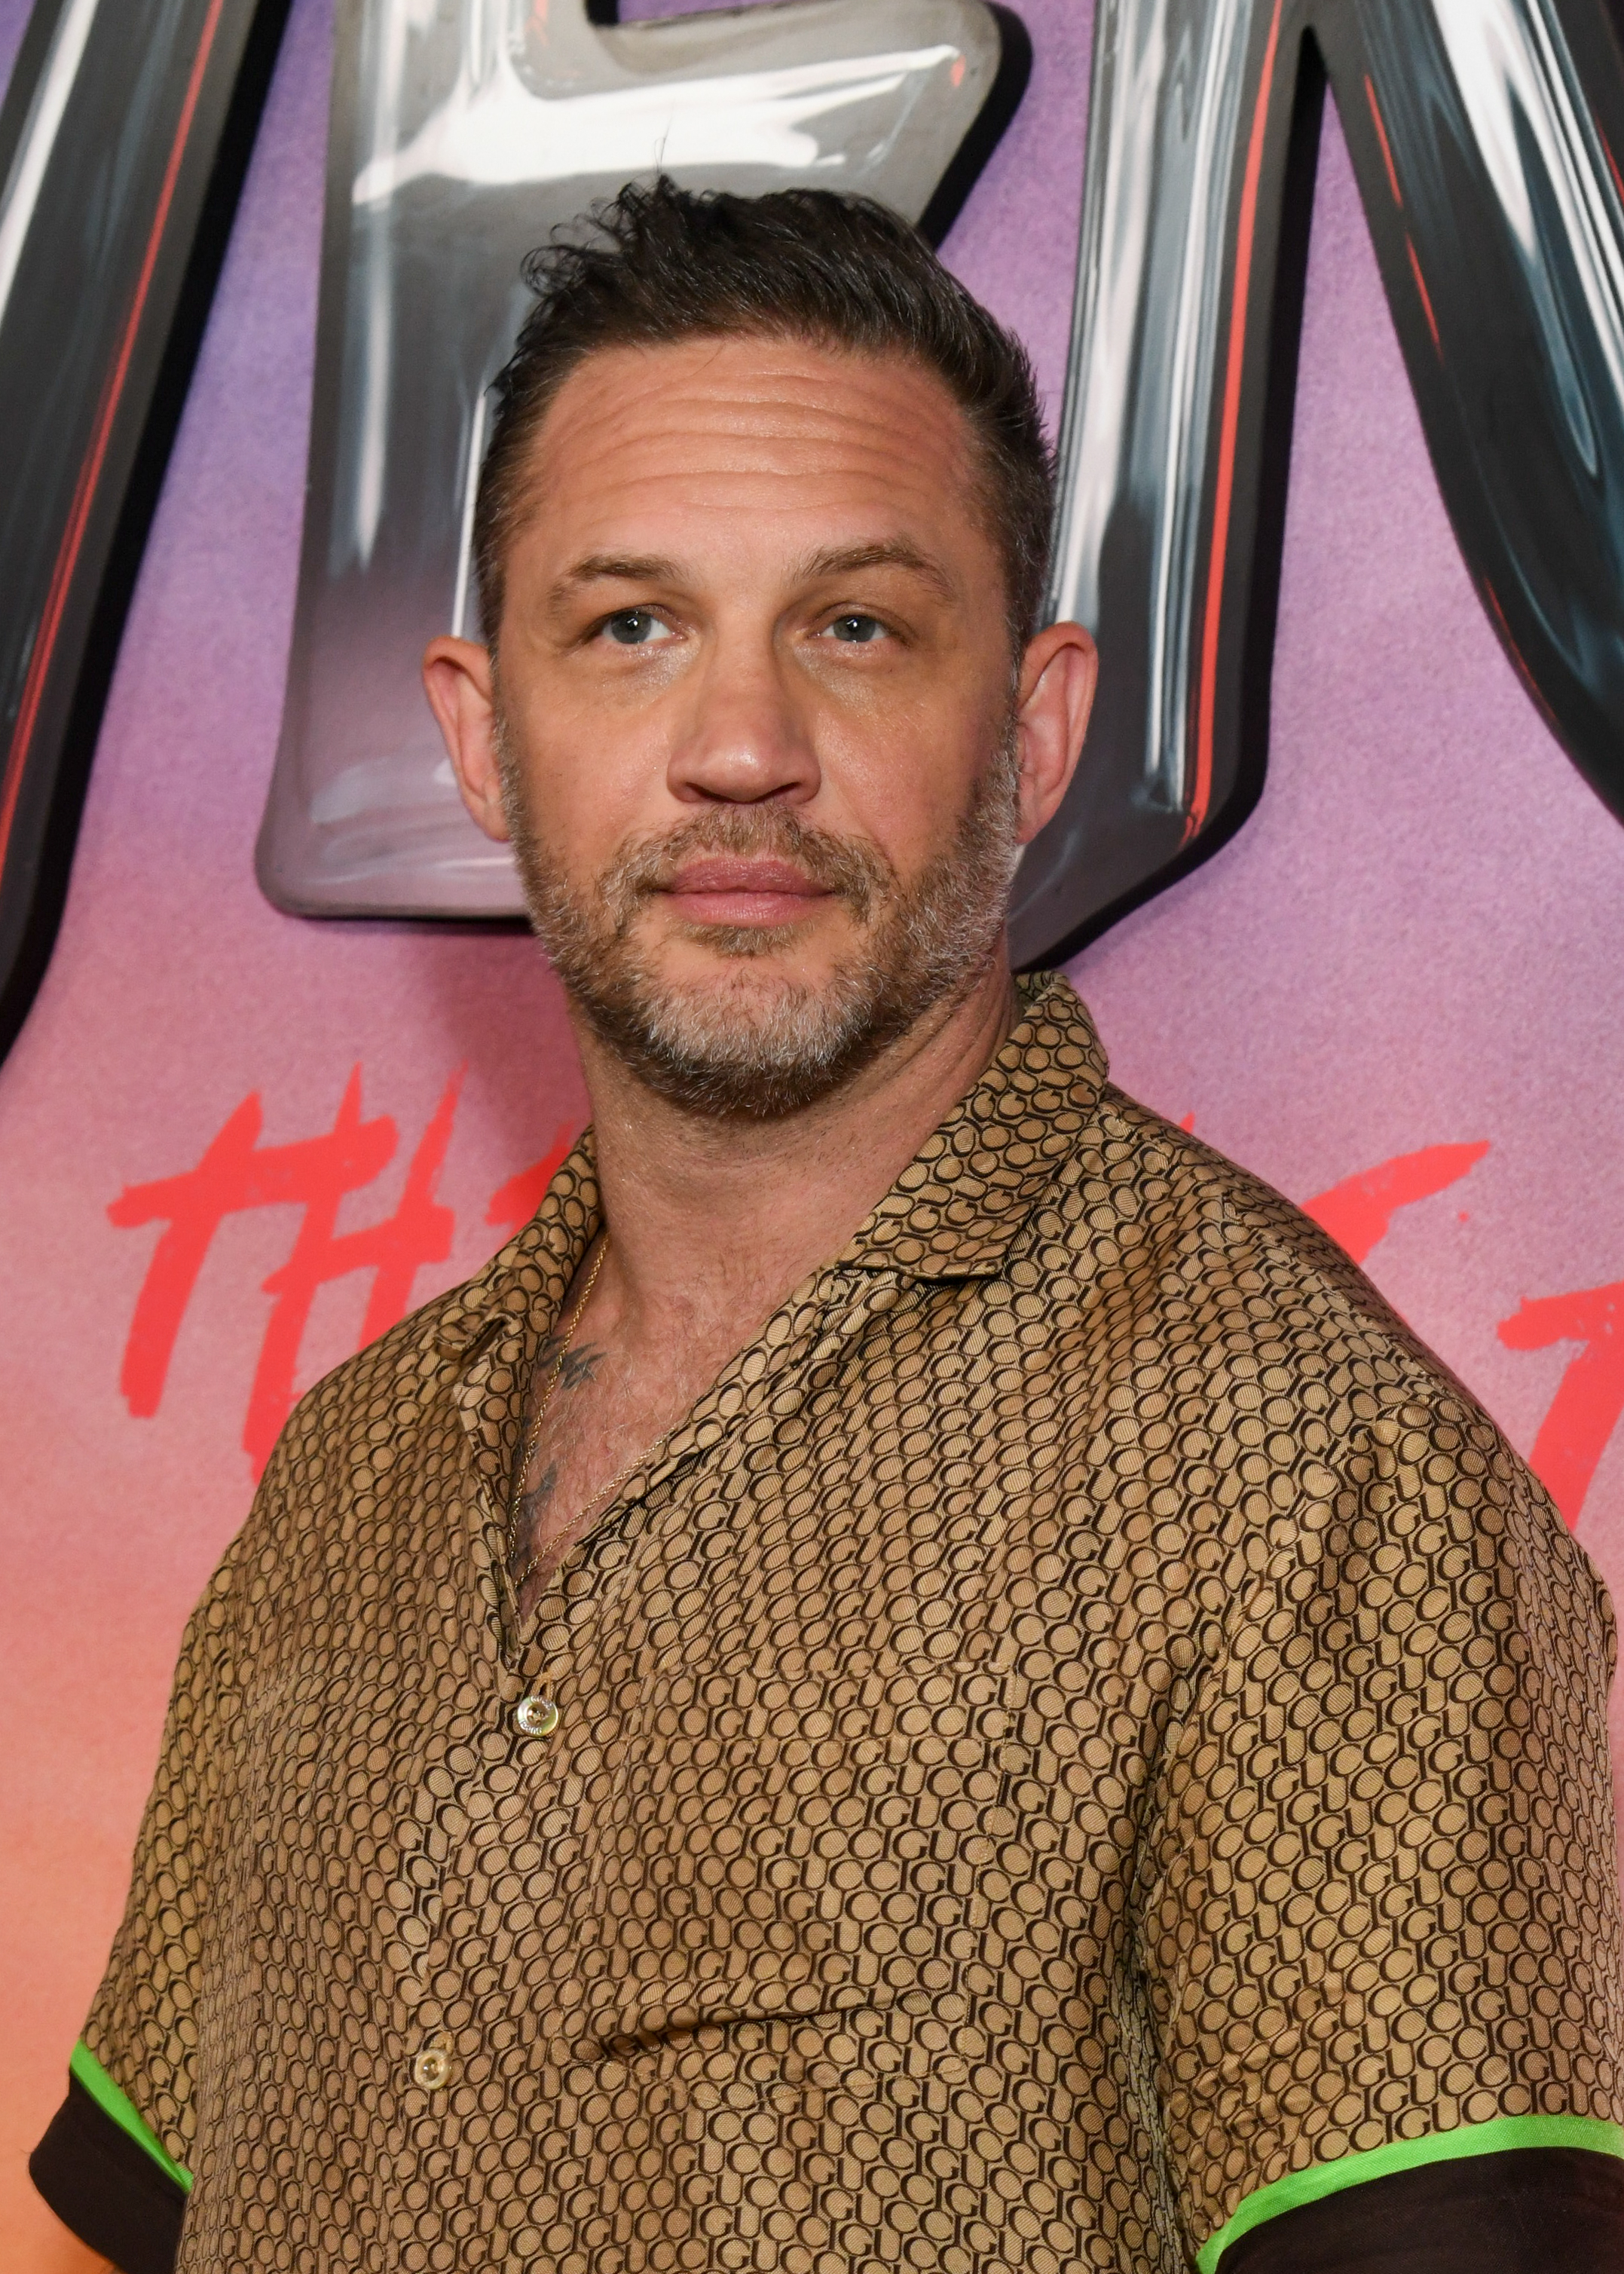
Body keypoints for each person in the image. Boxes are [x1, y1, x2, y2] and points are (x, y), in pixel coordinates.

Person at [32, 179, 1624, 2274]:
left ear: (1035, 726)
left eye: (856, 626)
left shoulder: (1296, 1473)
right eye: (630, 627)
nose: (741, 751)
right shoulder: (350, 1477)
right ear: (481, 736)